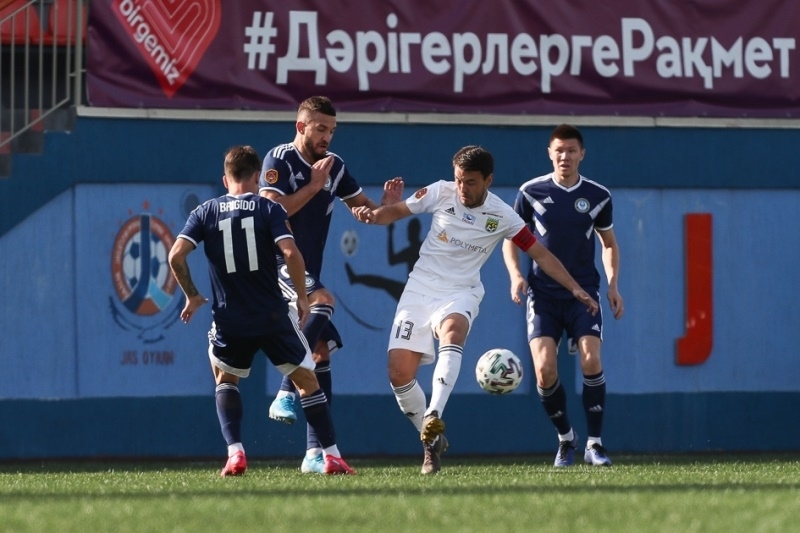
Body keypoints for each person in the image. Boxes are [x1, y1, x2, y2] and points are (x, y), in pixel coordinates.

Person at [351, 145, 599, 474]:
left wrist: (575, 287)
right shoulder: (440, 192)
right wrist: (375, 212)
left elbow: (540, 254)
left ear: (488, 180)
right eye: (458, 180)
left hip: (461, 291)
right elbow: (391, 214)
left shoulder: (503, 215)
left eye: (470, 182)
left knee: (452, 331)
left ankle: (433, 415)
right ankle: (431, 440)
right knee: (398, 374)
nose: (462, 188)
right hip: (420, 289)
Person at [168, 145, 356, 477]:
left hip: (229, 317)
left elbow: (175, 255)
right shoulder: (268, 208)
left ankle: (235, 453)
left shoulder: (205, 211)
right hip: (271, 315)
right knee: (307, 381)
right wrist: (302, 298)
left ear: (225, 179)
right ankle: (332, 456)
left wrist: (192, 296)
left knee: (225, 379)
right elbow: (291, 253)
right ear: (257, 177)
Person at [258, 95, 404, 473]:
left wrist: (386, 206)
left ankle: (314, 454)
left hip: (306, 269)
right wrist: (313, 186)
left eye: (332, 131)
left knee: (321, 354)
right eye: (320, 128)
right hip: (275, 265)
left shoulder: (334, 166)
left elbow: (364, 211)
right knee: (323, 301)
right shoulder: (279, 159)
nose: (327, 137)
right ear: (301, 126)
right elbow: (269, 212)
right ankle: (286, 387)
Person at [502, 124, 624, 468]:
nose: (565, 156)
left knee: (591, 360)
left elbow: (609, 244)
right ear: (549, 153)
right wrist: (515, 275)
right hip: (542, 294)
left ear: (582, 154)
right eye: (559, 150)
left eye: (571, 150)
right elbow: (511, 238)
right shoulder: (531, 192)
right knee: (544, 371)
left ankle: (595, 444)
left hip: (584, 293)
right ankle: (566, 439)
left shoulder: (598, 196)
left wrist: (613, 285)